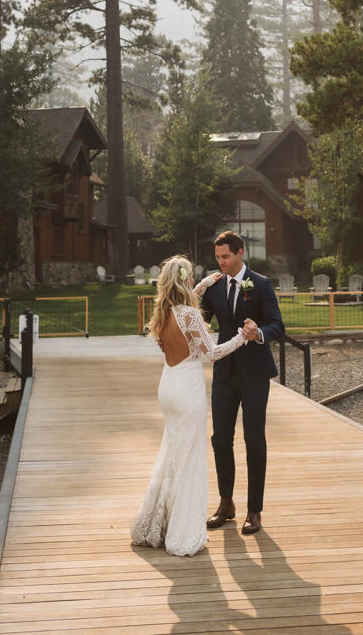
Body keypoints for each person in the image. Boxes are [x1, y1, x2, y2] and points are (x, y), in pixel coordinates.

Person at [130, 255, 250, 556]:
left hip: (168, 387)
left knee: (172, 453)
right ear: (185, 280)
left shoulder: (163, 311)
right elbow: (212, 353)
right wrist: (241, 337)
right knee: (190, 458)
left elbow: (186, 308)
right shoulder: (190, 315)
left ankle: (157, 522)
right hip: (188, 391)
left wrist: (206, 283)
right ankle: (182, 533)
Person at [200, 230, 285, 536]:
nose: (220, 262)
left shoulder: (260, 284)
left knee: (254, 440)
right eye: (217, 257)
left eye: (225, 256)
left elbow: (278, 326)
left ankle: (254, 510)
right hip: (224, 372)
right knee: (220, 439)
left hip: (254, 375)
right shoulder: (215, 286)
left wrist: (258, 332)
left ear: (240, 253)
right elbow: (200, 319)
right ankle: (226, 504)